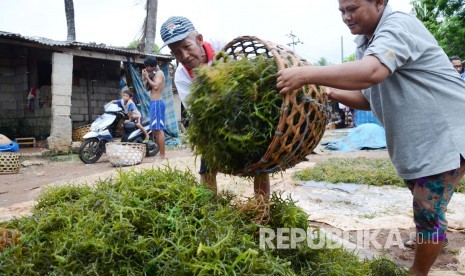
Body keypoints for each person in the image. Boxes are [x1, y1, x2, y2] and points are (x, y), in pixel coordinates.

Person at [276, 0, 465, 275]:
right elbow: (367, 98)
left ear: (379, 2)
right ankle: (433, 237)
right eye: (341, 11)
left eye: (352, 8)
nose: (346, 17)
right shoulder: (366, 43)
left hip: (445, 135)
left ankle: (419, 271)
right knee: (425, 203)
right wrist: (327, 91)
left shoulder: (397, 26)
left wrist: (304, 74)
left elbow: (371, 72)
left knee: (427, 209)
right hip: (422, 143)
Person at [159, 16, 271, 195]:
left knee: (259, 161)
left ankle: (262, 209)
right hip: (215, 123)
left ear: (199, 39)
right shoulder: (182, 76)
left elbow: (250, 75)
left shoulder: (224, 48)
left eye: (187, 47)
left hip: (247, 111)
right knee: (207, 165)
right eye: (176, 52)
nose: (184, 56)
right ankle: (210, 207)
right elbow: (198, 113)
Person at [142, 56, 166, 159]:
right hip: (154, 103)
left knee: (158, 130)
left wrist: (147, 77)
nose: (146, 68)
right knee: (155, 130)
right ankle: (162, 154)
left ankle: (162, 155)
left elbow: (155, 86)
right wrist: (145, 78)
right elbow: (148, 87)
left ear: (151, 66)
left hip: (157, 103)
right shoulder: (154, 74)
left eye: (147, 67)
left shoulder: (159, 73)